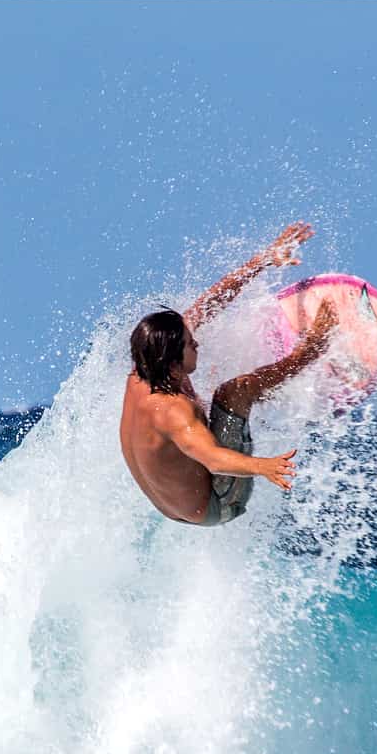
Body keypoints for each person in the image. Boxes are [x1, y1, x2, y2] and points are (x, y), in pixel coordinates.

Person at [118, 222, 339, 526]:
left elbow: (208, 305)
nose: (196, 342)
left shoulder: (145, 366)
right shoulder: (172, 411)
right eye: (189, 344)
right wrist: (264, 467)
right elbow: (211, 458)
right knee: (234, 391)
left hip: (172, 506)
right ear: (171, 361)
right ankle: (311, 351)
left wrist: (262, 260)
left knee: (214, 379)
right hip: (216, 503)